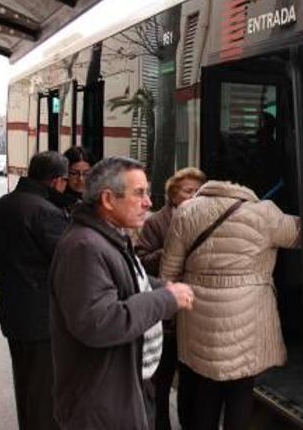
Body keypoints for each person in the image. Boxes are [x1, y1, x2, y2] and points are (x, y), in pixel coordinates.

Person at [49, 157, 195, 430]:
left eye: (148, 193)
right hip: (101, 405)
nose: (148, 203)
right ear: (107, 199)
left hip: (121, 392)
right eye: (139, 193)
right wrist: (165, 300)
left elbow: (127, 281)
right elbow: (99, 322)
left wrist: (161, 287)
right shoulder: (85, 247)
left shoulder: (108, 236)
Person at [160, 180, 300, 430]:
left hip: (197, 314)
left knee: (205, 387)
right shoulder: (264, 212)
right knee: (240, 389)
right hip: (247, 315)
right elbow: (301, 234)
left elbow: (169, 271)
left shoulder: (187, 211)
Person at [0, 151, 70, 430]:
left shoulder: (2, 204)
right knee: (44, 392)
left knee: (24, 382)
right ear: (58, 181)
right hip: (41, 317)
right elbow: (67, 261)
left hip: (12, 311)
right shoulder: (46, 211)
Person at [135, 167, 206, 430]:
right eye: (188, 191)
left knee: (191, 383)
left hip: (194, 315)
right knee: (161, 383)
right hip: (167, 320)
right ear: (173, 194)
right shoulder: (156, 223)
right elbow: (141, 262)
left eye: (198, 191)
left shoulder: (205, 219)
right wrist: (170, 251)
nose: (193, 196)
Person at [52, 146, 93, 212]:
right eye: (74, 173)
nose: (80, 179)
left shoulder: (96, 200)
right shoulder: (56, 202)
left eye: (86, 174)